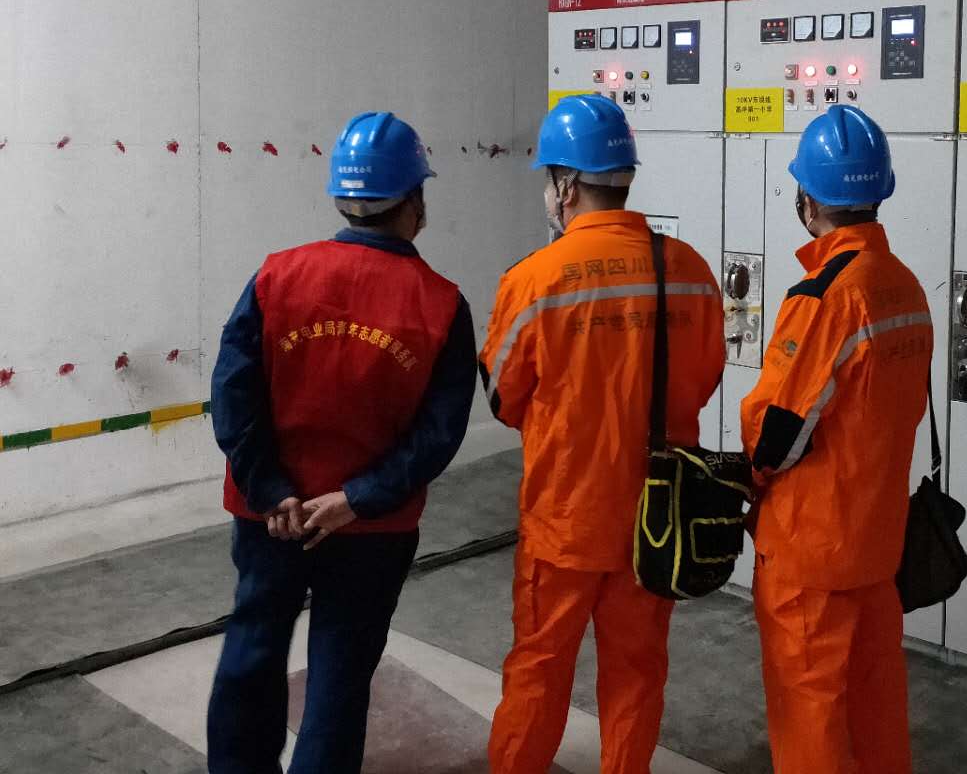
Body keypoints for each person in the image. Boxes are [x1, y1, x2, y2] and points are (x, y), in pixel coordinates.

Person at [206, 111, 477, 774]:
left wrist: (271, 490)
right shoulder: (442, 304)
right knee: (341, 670)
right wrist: (357, 499)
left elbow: (233, 394)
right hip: (371, 530)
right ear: (414, 200)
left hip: (271, 519)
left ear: (341, 197)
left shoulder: (275, 278)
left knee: (252, 650)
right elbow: (438, 434)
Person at [479, 95, 724, 774]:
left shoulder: (533, 280)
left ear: (565, 185)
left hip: (565, 519)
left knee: (539, 668)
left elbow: (501, 397)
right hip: (656, 518)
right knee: (636, 672)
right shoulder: (690, 270)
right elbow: (704, 378)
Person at [741, 105, 933, 774]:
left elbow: (777, 433)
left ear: (809, 199)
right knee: (876, 712)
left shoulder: (825, 298)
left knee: (812, 720)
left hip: (810, 554)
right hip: (876, 544)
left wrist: (749, 479)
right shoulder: (904, 285)